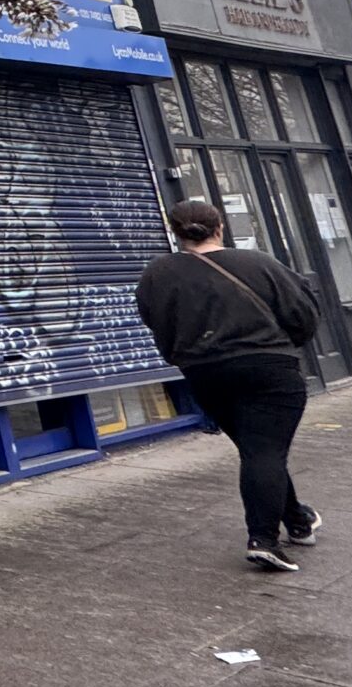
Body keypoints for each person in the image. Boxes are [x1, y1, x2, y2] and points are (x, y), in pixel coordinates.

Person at [136, 197, 325, 572]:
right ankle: (263, 540)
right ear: (219, 227)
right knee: (264, 451)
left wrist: (182, 355)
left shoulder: (157, 273)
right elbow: (303, 313)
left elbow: (154, 320)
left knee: (258, 450)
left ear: (175, 232)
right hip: (269, 368)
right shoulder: (258, 263)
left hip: (205, 374)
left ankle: (298, 520)